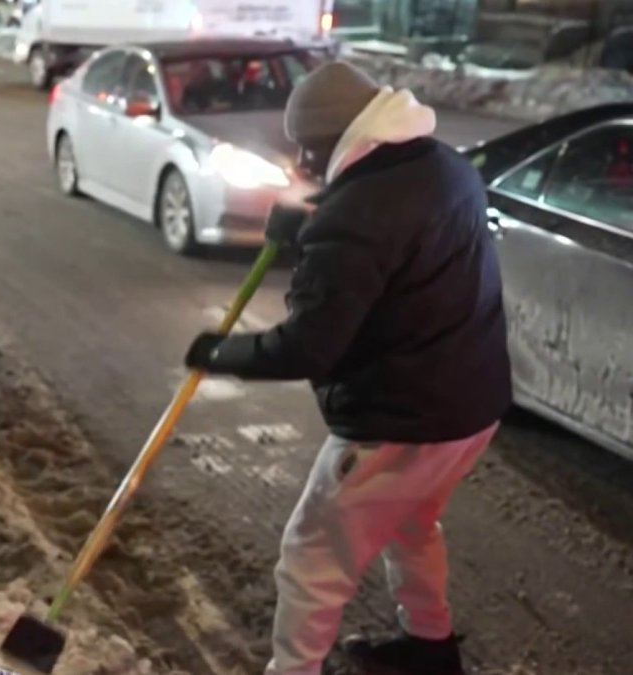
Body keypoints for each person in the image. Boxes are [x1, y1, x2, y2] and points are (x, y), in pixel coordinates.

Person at [184, 61, 512, 675]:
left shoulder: (356, 214)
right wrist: (314, 224)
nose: (303, 160)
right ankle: (430, 647)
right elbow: (395, 248)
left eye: (308, 147)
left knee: (313, 556)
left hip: (402, 419)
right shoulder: (444, 165)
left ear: (338, 136)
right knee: (412, 523)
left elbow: (310, 345)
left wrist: (222, 353)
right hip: (471, 403)